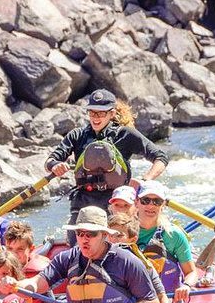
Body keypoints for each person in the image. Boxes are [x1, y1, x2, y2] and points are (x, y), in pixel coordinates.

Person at [5, 206, 161, 303]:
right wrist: (17, 285)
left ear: (104, 235)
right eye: (80, 233)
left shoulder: (125, 261)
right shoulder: (67, 258)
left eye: (91, 234)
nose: (84, 239)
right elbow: (37, 283)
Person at [45, 89, 169, 245]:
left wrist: (145, 179)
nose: (96, 117)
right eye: (92, 112)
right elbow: (50, 161)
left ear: (111, 113)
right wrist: (55, 165)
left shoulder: (125, 135)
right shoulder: (77, 135)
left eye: (101, 113)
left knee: (117, 244)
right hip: (84, 202)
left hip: (118, 203)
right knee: (77, 245)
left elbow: (161, 157)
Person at [135, 181, 197, 303]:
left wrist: (186, 285)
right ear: (137, 202)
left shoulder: (173, 234)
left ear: (162, 205)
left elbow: (191, 272)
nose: (151, 206)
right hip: (134, 298)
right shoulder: (124, 231)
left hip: (167, 299)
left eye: (157, 201)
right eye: (145, 200)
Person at [107, 213, 172, 303]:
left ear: (133, 239)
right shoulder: (99, 259)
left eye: (119, 236)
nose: (113, 240)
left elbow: (162, 296)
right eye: (110, 235)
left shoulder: (142, 265)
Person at [4, 221, 51, 303]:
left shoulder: (39, 273)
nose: (13, 254)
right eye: (10, 249)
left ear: (31, 249)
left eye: (20, 249)